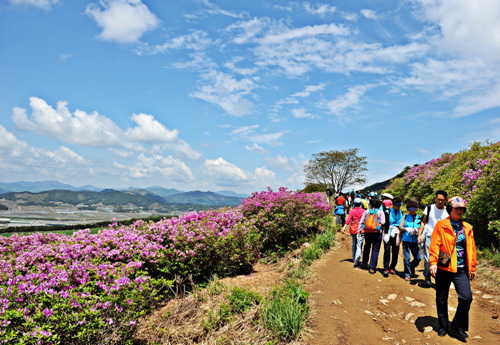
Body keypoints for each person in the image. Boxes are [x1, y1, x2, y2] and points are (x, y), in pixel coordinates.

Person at [429, 196, 477, 340]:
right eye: (457, 208)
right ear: (450, 209)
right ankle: (443, 326)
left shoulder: (467, 227)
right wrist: (432, 263)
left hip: (461, 269)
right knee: (442, 298)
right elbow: (435, 245)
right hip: (444, 267)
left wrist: (472, 267)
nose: (459, 211)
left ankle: (458, 325)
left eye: (462, 208)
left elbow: (471, 248)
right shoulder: (441, 225)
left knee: (466, 298)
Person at [418, 190, 449, 288]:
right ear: (435, 198)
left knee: (440, 260)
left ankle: (437, 278)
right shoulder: (429, 208)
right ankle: (427, 277)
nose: (440, 202)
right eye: (438, 199)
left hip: (443, 238)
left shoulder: (447, 210)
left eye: (442, 200)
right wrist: (419, 234)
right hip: (430, 236)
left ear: (445, 200)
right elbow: (423, 221)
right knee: (428, 260)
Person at [358, 197, 386, 274]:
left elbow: (362, 221)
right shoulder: (381, 212)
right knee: (375, 250)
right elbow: (383, 222)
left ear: (370, 204)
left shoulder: (366, 211)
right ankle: (372, 267)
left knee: (367, 246)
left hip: (367, 232)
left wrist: (359, 232)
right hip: (377, 233)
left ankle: (364, 262)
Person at [399, 200, 422, 281]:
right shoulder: (404, 217)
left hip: (415, 241)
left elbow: (422, 228)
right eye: (410, 209)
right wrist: (406, 229)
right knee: (407, 257)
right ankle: (407, 273)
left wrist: (417, 231)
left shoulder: (420, 218)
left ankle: (412, 266)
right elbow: (400, 227)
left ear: (416, 209)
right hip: (406, 240)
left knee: (418, 258)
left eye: (414, 209)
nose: (412, 211)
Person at [383, 197, 403, 277]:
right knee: (387, 250)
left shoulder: (401, 212)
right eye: (396, 205)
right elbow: (386, 222)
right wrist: (386, 233)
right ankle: (386, 267)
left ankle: (392, 267)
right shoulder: (388, 212)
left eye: (399, 205)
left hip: (397, 233)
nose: (397, 207)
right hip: (388, 232)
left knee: (395, 251)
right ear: (393, 205)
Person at [343, 198, 365, 264]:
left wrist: (344, 227)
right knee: (359, 244)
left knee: (354, 244)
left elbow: (348, 219)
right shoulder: (363, 211)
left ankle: (353, 257)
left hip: (353, 228)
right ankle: (357, 259)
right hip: (361, 229)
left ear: (354, 204)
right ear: (360, 204)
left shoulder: (352, 211)